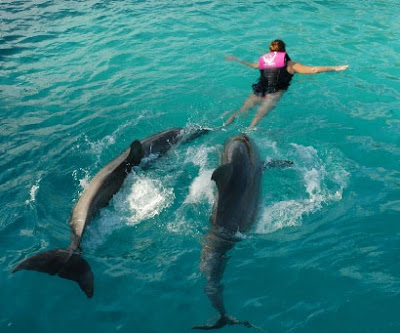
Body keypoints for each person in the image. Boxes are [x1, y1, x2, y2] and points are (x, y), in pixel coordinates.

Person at [223, 39, 349, 129]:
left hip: (259, 90)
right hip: (274, 94)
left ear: (270, 51)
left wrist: (237, 59)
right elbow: (313, 70)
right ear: (284, 51)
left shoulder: (264, 61)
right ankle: (248, 133)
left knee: (242, 110)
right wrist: (335, 67)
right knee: (256, 119)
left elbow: (252, 65)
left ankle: (224, 125)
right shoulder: (291, 64)